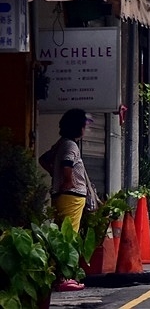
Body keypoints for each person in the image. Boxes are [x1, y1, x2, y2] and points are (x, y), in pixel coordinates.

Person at [48, 108, 94, 293]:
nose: (85, 129)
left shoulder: (61, 144)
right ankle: (65, 277)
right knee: (69, 236)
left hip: (62, 195)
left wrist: (55, 175)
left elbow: (45, 159)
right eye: (84, 125)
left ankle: (59, 275)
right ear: (78, 127)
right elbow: (67, 164)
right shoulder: (71, 146)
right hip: (72, 196)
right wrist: (68, 181)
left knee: (61, 234)